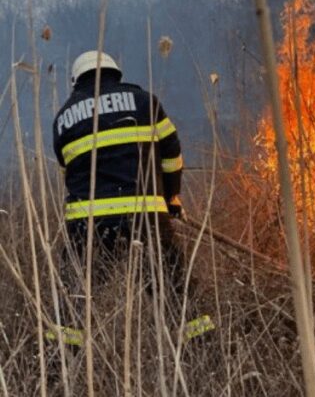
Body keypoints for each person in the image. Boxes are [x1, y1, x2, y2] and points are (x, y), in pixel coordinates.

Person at [50, 51, 213, 346]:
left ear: (75, 82)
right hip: (147, 219)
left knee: (74, 297)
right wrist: (170, 198)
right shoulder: (145, 102)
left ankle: (58, 366)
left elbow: (69, 173)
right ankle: (203, 353)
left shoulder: (63, 118)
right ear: (116, 73)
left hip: (88, 227)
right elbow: (172, 155)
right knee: (175, 291)